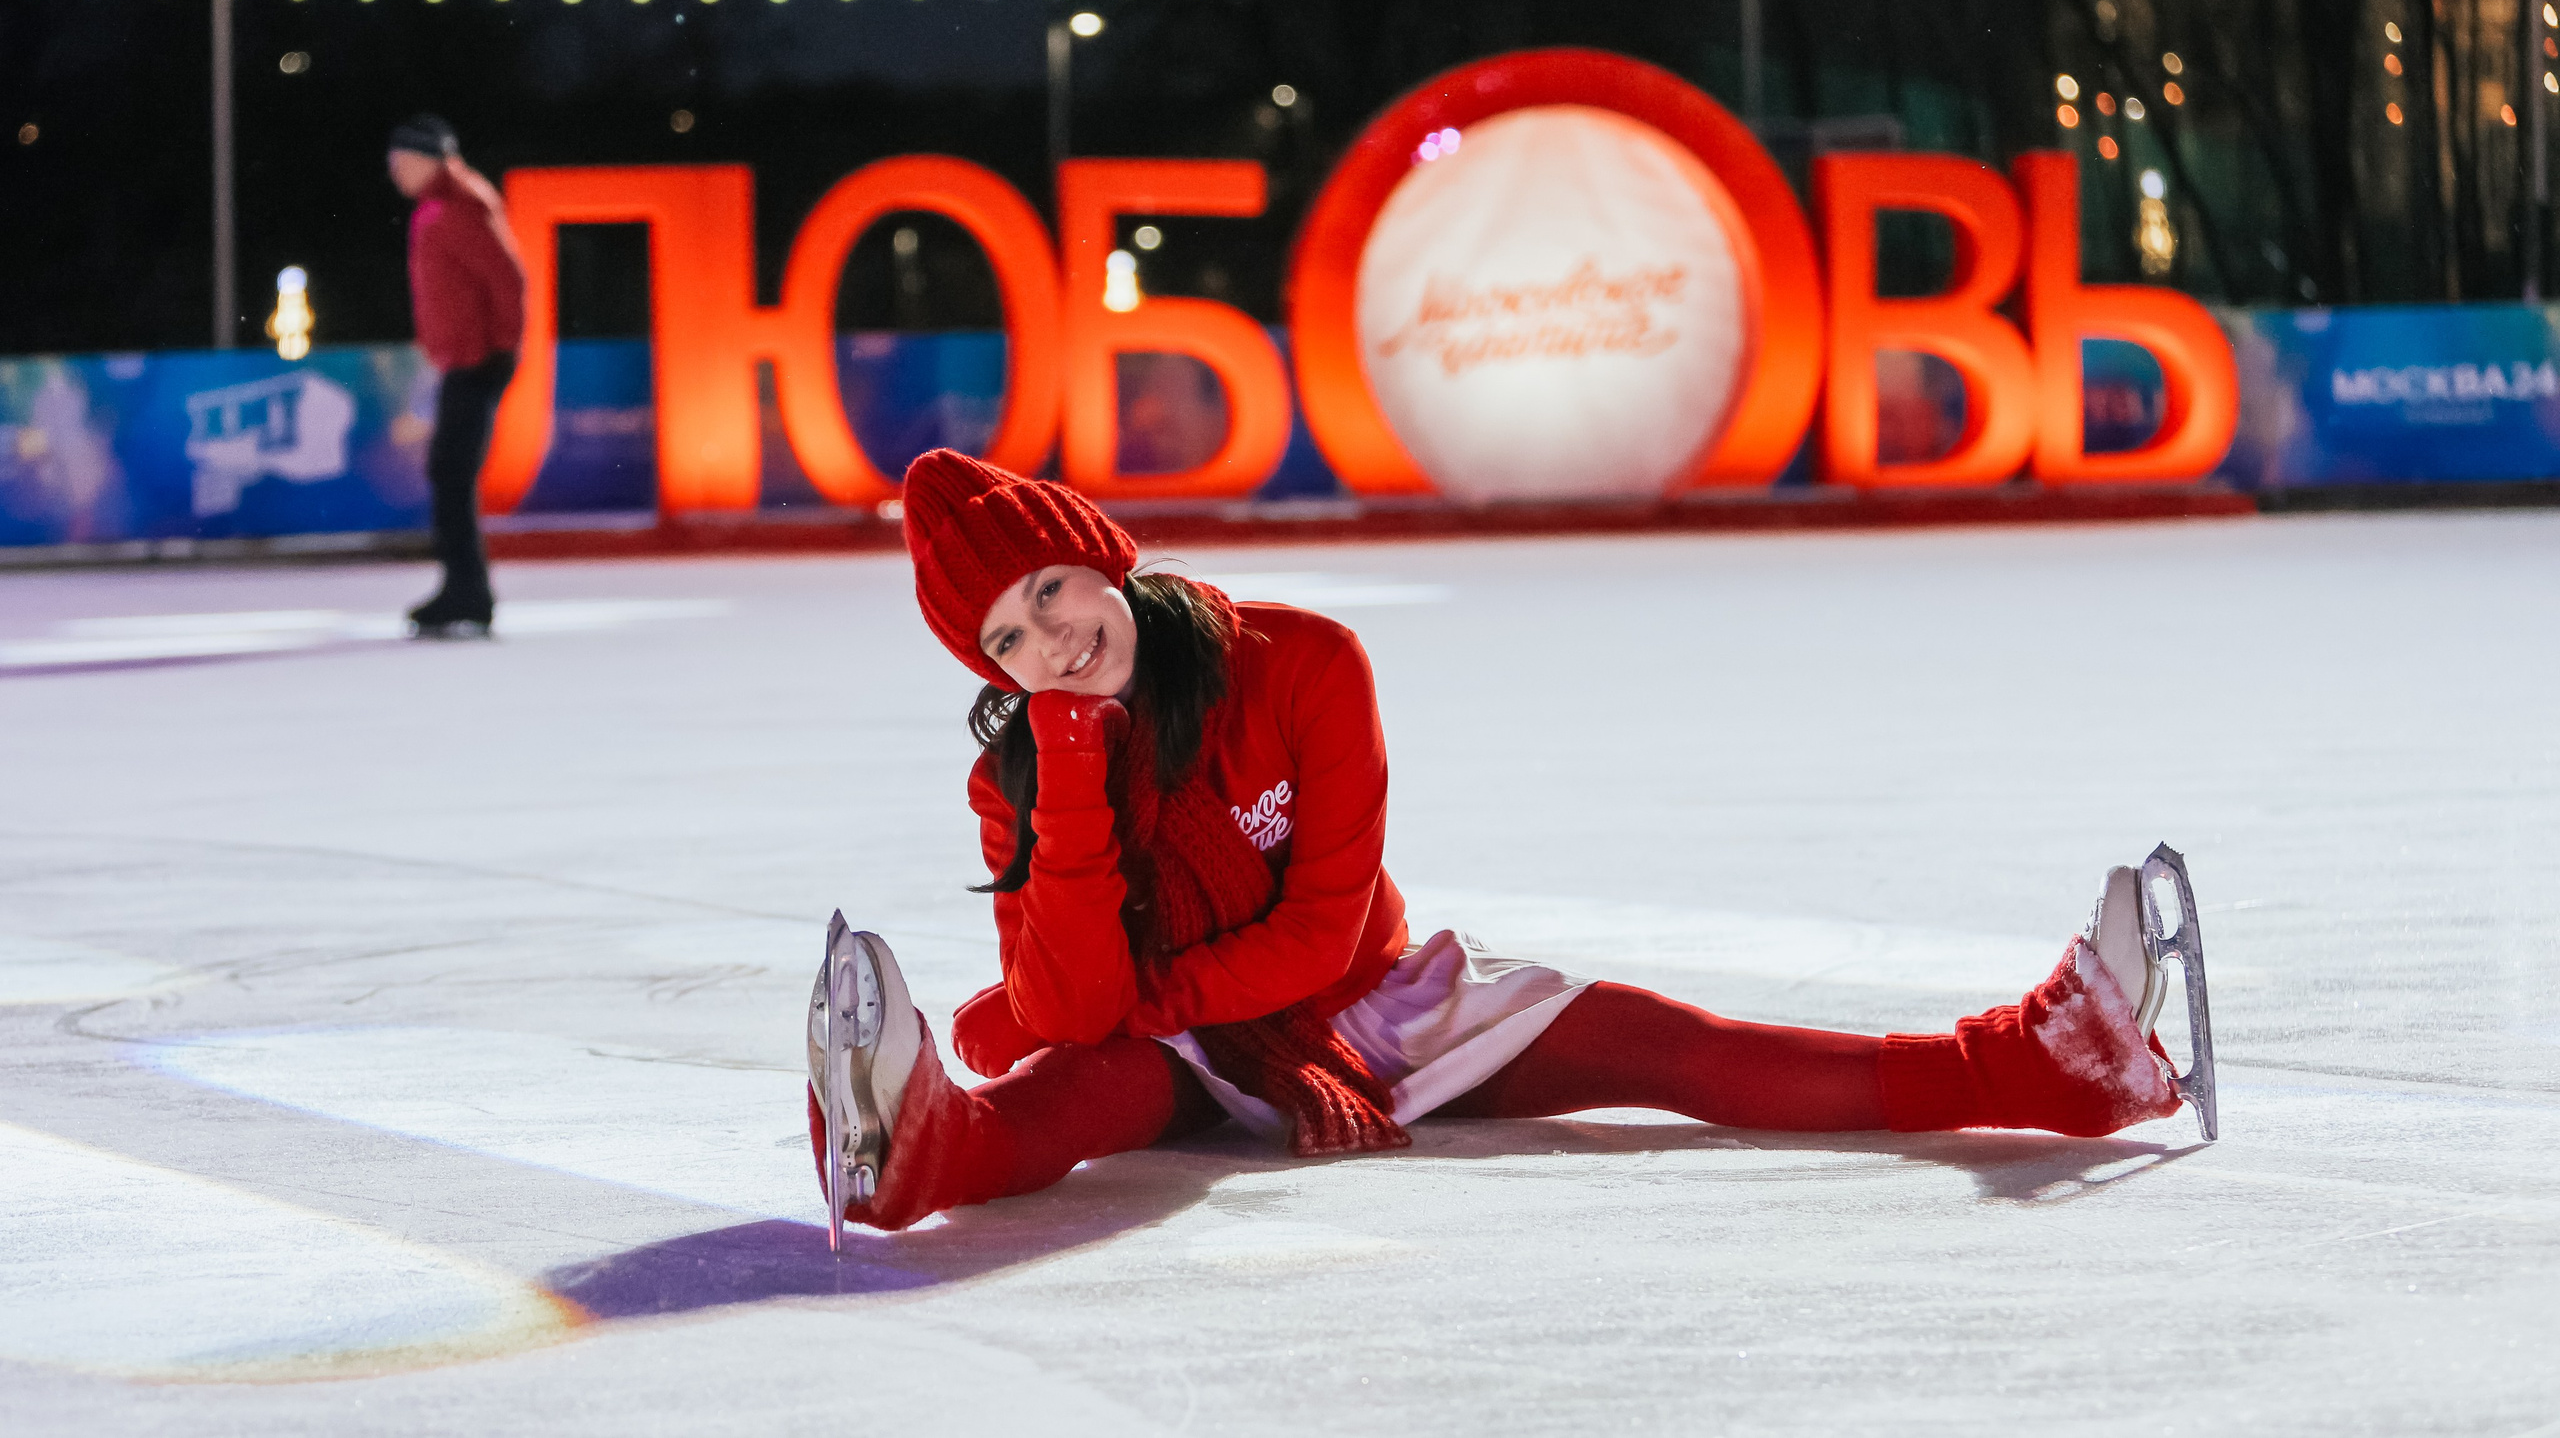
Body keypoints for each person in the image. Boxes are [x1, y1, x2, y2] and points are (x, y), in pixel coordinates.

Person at [804, 450, 2215, 1236]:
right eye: (1007, 635)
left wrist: (1144, 1005)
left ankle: (2042, 1064)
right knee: (1064, 1098)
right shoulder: (1020, 768)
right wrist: (1069, 776)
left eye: (1052, 585)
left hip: (1375, 994)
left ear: (1103, 552)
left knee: (1671, 1046)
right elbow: (1062, 1009)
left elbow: (1325, 930)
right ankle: (913, 1146)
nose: (1052, 635)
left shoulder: (1300, 659)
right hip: (1173, 1039)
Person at [387, 115, 525, 637]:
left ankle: (468, 592)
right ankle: (463, 588)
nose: (395, 173)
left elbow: (508, 280)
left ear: (428, 160)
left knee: (451, 474)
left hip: (477, 359)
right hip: (465, 357)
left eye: (402, 162)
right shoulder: (441, 207)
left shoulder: (456, 208)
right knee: (449, 474)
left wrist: (500, 349)